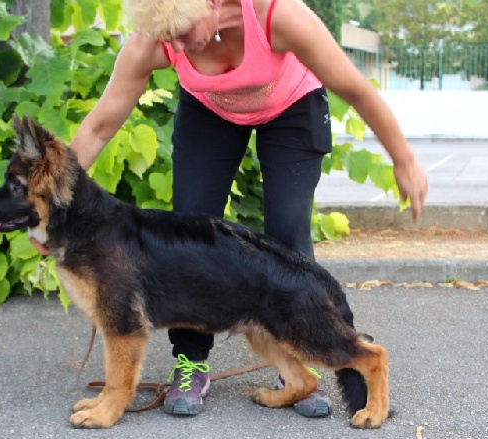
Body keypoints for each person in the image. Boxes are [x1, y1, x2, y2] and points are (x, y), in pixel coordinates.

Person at [37, 0, 428, 417]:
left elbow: (356, 88)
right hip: (210, 111)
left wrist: (402, 158)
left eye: (184, 33)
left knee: (287, 232)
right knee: (187, 236)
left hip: (291, 105)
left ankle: (297, 368)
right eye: (169, 40)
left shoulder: (277, 16)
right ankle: (190, 362)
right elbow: (98, 127)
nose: (179, 47)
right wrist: (56, 211)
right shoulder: (155, 41)